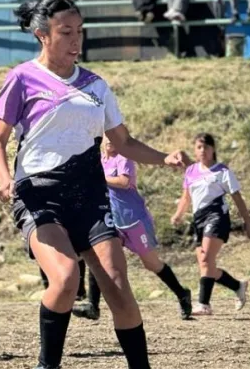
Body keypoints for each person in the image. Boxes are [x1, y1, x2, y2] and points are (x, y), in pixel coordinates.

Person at [0, 0, 187, 369]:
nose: (76, 40)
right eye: (66, 32)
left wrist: (164, 157)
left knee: (117, 285)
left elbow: (124, 142)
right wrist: (5, 179)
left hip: (91, 195)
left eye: (80, 32)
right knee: (64, 278)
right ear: (42, 35)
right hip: (39, 194)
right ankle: (47, 366)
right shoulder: (23, 78)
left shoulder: (96, 85)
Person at [79, 132, 194, 321]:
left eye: (112, 136)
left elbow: (124, 182)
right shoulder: (99, 159)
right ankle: (93, 305)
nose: (109, 140)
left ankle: (182, 294)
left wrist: (99, 178)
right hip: (111, 220)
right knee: (99, 257)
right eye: (106, 137)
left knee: (151, 263)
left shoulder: (124, 157)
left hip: (133, 220)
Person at [171, 133, 250, 316]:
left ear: (213, 149)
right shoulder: (191, 171)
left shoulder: (222, 171)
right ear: (195, 150)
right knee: (206, 266)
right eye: (199, 147)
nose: (203, 151)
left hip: (217, 216)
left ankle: (203, 304)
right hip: (198, 219)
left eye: (206, 147)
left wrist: (248, 223)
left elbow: (237, 197)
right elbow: (187, 197)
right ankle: (237, 286)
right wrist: (178, 214)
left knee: (206, 259)